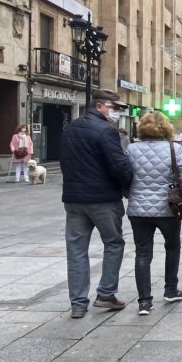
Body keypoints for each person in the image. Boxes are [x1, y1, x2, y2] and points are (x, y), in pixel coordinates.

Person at [60, 89, 133, 319]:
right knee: (113, 243)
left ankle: (78, 303)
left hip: (74, 199)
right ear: (101, 105)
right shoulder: (106, 131)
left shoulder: (70, 128)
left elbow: (64, 161)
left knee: (76, 250)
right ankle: (106, 293)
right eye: (115, 107)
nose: (117, 112)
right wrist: (127, 184)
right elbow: (119, 165)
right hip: (103, 199)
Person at [126, 112, 182, 316]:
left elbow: (122, 175)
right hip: (168, 208)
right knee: (172, 246)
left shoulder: (131, 149)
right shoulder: (174, 149)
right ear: (166, 128)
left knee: (142, 252)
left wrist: (132, 194)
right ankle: (171, 290)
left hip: (138, 209)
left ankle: (144, 302)